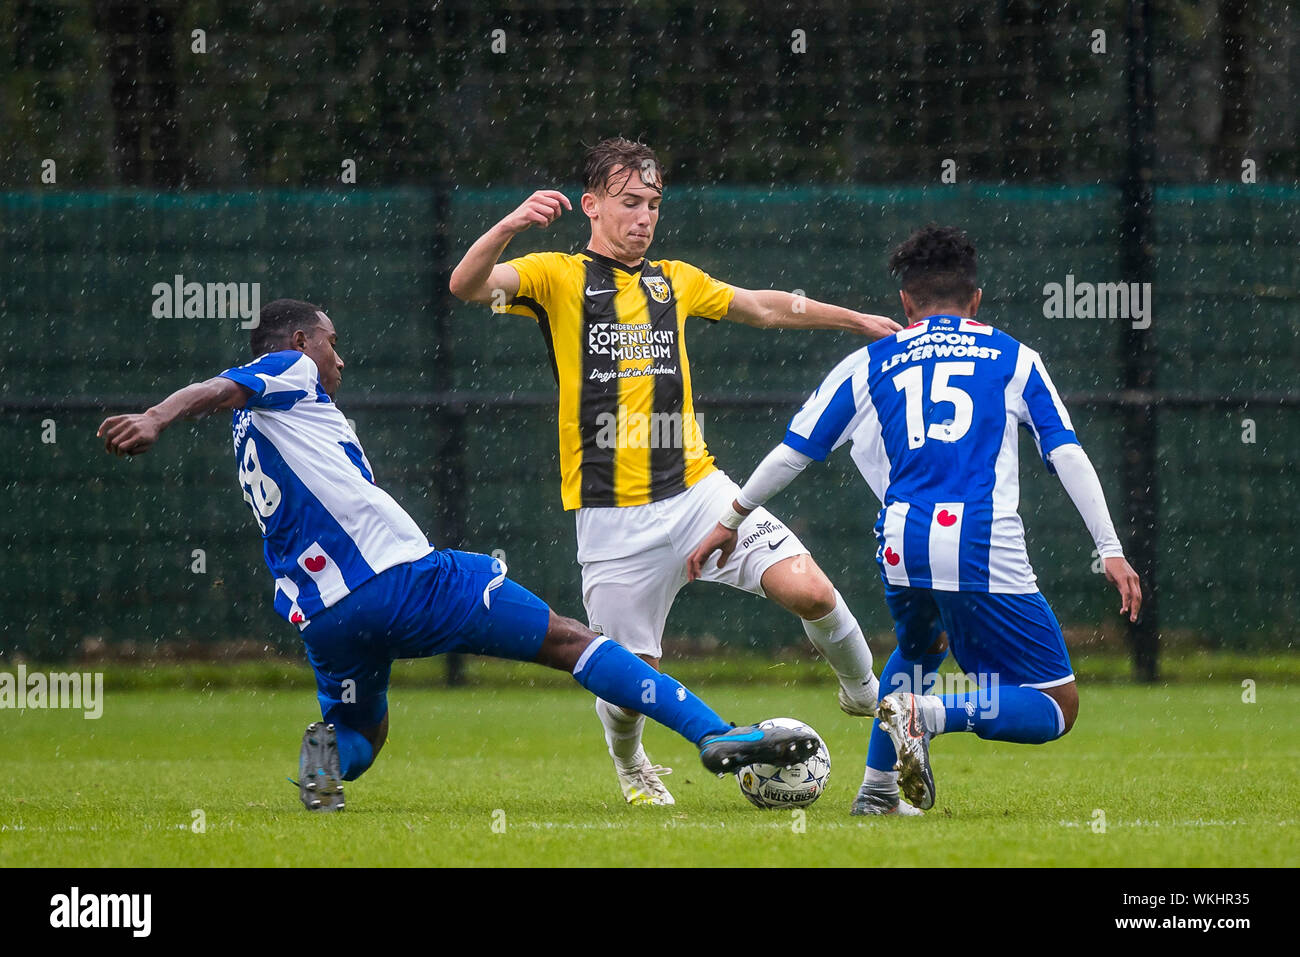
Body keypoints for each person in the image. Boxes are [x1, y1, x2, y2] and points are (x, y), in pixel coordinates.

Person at [95, 298, 821, 811]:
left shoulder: (254, 428)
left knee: (362, 732)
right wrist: (156, 415)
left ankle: (327, 763)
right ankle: (714, 732)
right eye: (330, 341)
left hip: (323, 617)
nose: (337, 357)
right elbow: (220, 383)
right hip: (404, 581)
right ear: (296, 342)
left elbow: (227, 400)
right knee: (574, 640)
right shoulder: (287, 371)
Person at [449, 137, 901, 805]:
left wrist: (853, 318)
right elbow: (466, 285)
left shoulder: (674, 280)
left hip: (699, 495)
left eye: (653, 203)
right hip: (611, 517)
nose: (645, 216)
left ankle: (867, 695)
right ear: (591, 205)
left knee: (808, 590)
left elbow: (763, 306)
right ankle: (631, 763)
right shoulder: (555, 276)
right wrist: (512, 224)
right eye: (630, 202)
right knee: (633, 682)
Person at [689, 224, 1142, 815]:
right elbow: (1066, 454)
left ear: (905, 303)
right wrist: (1109, 546)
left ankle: (877, 794)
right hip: (981, 539)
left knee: (921, 649)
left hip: (901, 538)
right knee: (1056, 705)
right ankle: (925, 715)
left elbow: (794, 451)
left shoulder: (870, 360)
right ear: (975, 300)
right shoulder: (1014, 358)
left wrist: (732, 516)